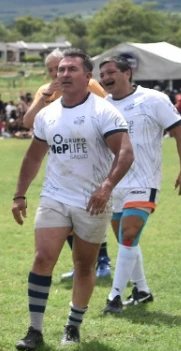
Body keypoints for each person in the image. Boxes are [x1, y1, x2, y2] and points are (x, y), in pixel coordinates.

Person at [12, 50, 133, 351]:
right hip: (55, 195)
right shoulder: (47, 114)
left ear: (87, 77)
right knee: (42, 258)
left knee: (83, 264)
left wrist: (106, 187)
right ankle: (34, 331)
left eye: (71, 70)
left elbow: (125, 153)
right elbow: (33, 157)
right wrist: (19, 194)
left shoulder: (104, 112)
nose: (63, 74)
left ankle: (73, 324)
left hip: (92, 200)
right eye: (61, 69)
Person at [97, 56, 181, 313]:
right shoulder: (102, 106)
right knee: (126, 239)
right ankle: (142, 290)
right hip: (115, 183)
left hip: (144, 179)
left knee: (129, 233)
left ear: (128, 73)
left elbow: (180, 134)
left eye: (111, 72)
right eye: (102, 74)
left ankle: (114, 297)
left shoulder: (154, 99)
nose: (105, 78)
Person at [24, 49, 114, 279]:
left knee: (90, 211)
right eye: (52, 70)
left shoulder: (90, 86)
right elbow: (27, 122)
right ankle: (82, 263)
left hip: (92, 162)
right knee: (65, 216)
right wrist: (45, 97)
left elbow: (109, 114)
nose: (57, 74)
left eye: (61, 68)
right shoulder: (46, 91)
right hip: (62, 163)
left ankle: (101, 261)